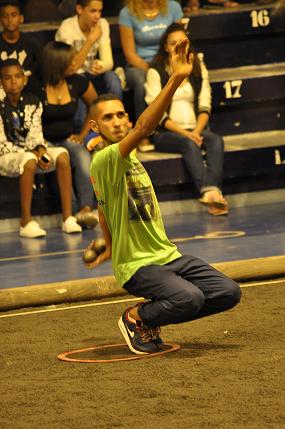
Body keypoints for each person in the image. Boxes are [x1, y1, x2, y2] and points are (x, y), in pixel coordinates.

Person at [87, 39, 241, 355]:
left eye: (120, 115)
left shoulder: (128, 161)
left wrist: (109, 243)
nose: (117, 121)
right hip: (139, 266)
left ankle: (155, 313)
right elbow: (144, 128)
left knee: (227, 292)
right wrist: (175, 79)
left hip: (167, 255)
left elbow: (104, 206)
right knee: (190, 297)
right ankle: (136, 317)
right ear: (94, 126)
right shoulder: (105, 159)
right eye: (108, 118)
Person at [145, 23, 228, 216]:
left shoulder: (198, 67)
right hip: (167, 133)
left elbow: (205, 103)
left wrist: (196, 132)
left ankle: (211, 191)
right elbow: (157, 113)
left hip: (195, 128)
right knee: (188, 144)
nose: (177, 46)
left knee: (215, 140)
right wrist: (187, 135)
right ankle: (210, 193)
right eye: (173, 43)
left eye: (182, 42)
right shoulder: (155, 71)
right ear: (165, 46)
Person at [0, 59, 82, 237]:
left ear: (25, 79)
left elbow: (36, 134)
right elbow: (2, 143)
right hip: (6, 156)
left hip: (29, 153)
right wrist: (32, 154)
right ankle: (25, 222)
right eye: (7, 78)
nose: (13, 81)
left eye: (18, 76)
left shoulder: (33, 101)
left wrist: (40, 151)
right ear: (1, 82)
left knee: (61, 154)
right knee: (28, 159)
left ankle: (68, 217)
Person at [40, 41, 99, 228]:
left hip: (67, 139)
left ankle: (86, 209)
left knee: (83, 159)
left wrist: (82, 134)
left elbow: (96, 105)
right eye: (70, 62)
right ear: (57, 64)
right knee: (58, 164)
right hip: (43, 142)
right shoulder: (36, 84)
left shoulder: (77, 81)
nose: (76, 64)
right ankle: (73, 213)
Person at [118, 0, 183, 120]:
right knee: (142, 79)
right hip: (140, 65)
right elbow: (130, 54)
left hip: (168, 60)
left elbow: (180, 39)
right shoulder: (126, 13)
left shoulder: (173, 7)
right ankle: (143, 128)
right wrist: (153, 70)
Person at [55, 0, 122, 99]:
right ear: (79, 9)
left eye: (100, 11)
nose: (97, 16)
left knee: (112, 78)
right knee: (80, 83)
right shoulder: (67, 27)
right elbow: (70, 68)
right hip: (73, 75)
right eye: (93, 11)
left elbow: (109, 62)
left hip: (92, 73)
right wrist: (90, 40)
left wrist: (101, 66)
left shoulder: (102, 24)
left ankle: (116, 111)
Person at [0, 0, 42, 98]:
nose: (10, 20)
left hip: (30, 94)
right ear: (0, 20)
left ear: (21, 18)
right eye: (5, 16)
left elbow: (40, 74)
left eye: (14, 15)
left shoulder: (33, 44)